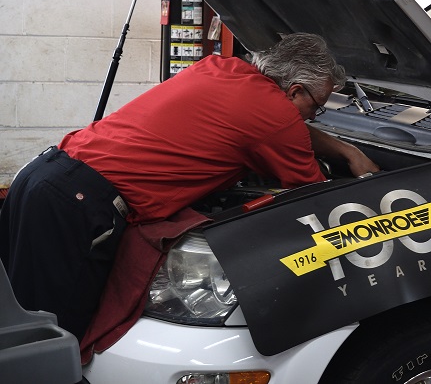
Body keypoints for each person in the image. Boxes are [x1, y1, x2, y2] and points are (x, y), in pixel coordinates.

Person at [0, 32, 379, 342]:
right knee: (53, 338)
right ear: (295, 90)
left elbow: (283, 124)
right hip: (77, 207)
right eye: (318, 107)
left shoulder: (221, 68)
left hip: (43, 177)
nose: (315, 116)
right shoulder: (275, 118)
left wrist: (345, 149)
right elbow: (316, 199)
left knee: (18, 323)